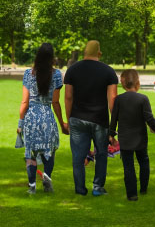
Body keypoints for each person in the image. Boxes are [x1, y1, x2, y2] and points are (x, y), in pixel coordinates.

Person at [63, 40, 118, 196]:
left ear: (84, 53)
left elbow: (68, 97)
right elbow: (112, 101)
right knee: (101, 154)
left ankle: (80, 189)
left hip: (77, 118)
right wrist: (113, 128)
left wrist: (69, 119)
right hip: (99, 119)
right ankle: (98, 187)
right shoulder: (108, 72)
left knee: (78, 157)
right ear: (99, 53)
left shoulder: (72, 70)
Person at [17, 43, 67, 194]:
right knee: (49, 150)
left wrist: (20, 122)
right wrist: (62, 123)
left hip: (31, 117)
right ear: (52, 58)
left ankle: (32, 186)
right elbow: (55, 102)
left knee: (31, 152)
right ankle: (47, 177)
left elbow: (25, 101)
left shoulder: (28, 74)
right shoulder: (57, 75)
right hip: (47, 116)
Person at [109, 69, 155, 201]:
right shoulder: (143, 99)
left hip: (125, 138)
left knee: (128, 166)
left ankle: (132, 194)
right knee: (144, 161)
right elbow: (149, 118)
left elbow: (114, 119)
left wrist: (111, 135)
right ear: (137, 82)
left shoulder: (119, 100)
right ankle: (143, 188)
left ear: (123, 83)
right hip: (140, 137)